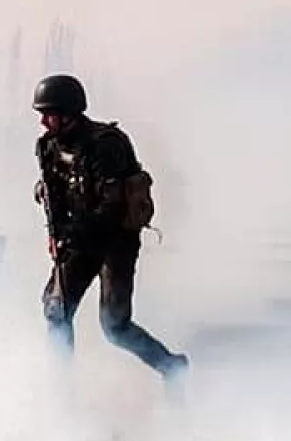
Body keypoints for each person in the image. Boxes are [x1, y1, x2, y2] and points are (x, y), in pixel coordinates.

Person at [31, 73, 188, 382]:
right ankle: (60, 391)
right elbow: (55, 195)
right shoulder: (49, 147)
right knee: (56, 311)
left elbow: (111, 209)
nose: (44, 123)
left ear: (68, 113)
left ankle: (172, 366)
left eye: (49, 115)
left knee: (114, 326)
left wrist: (72, 236)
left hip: (115, 242)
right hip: (78, 240)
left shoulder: (106, 146)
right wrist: (56, 234)